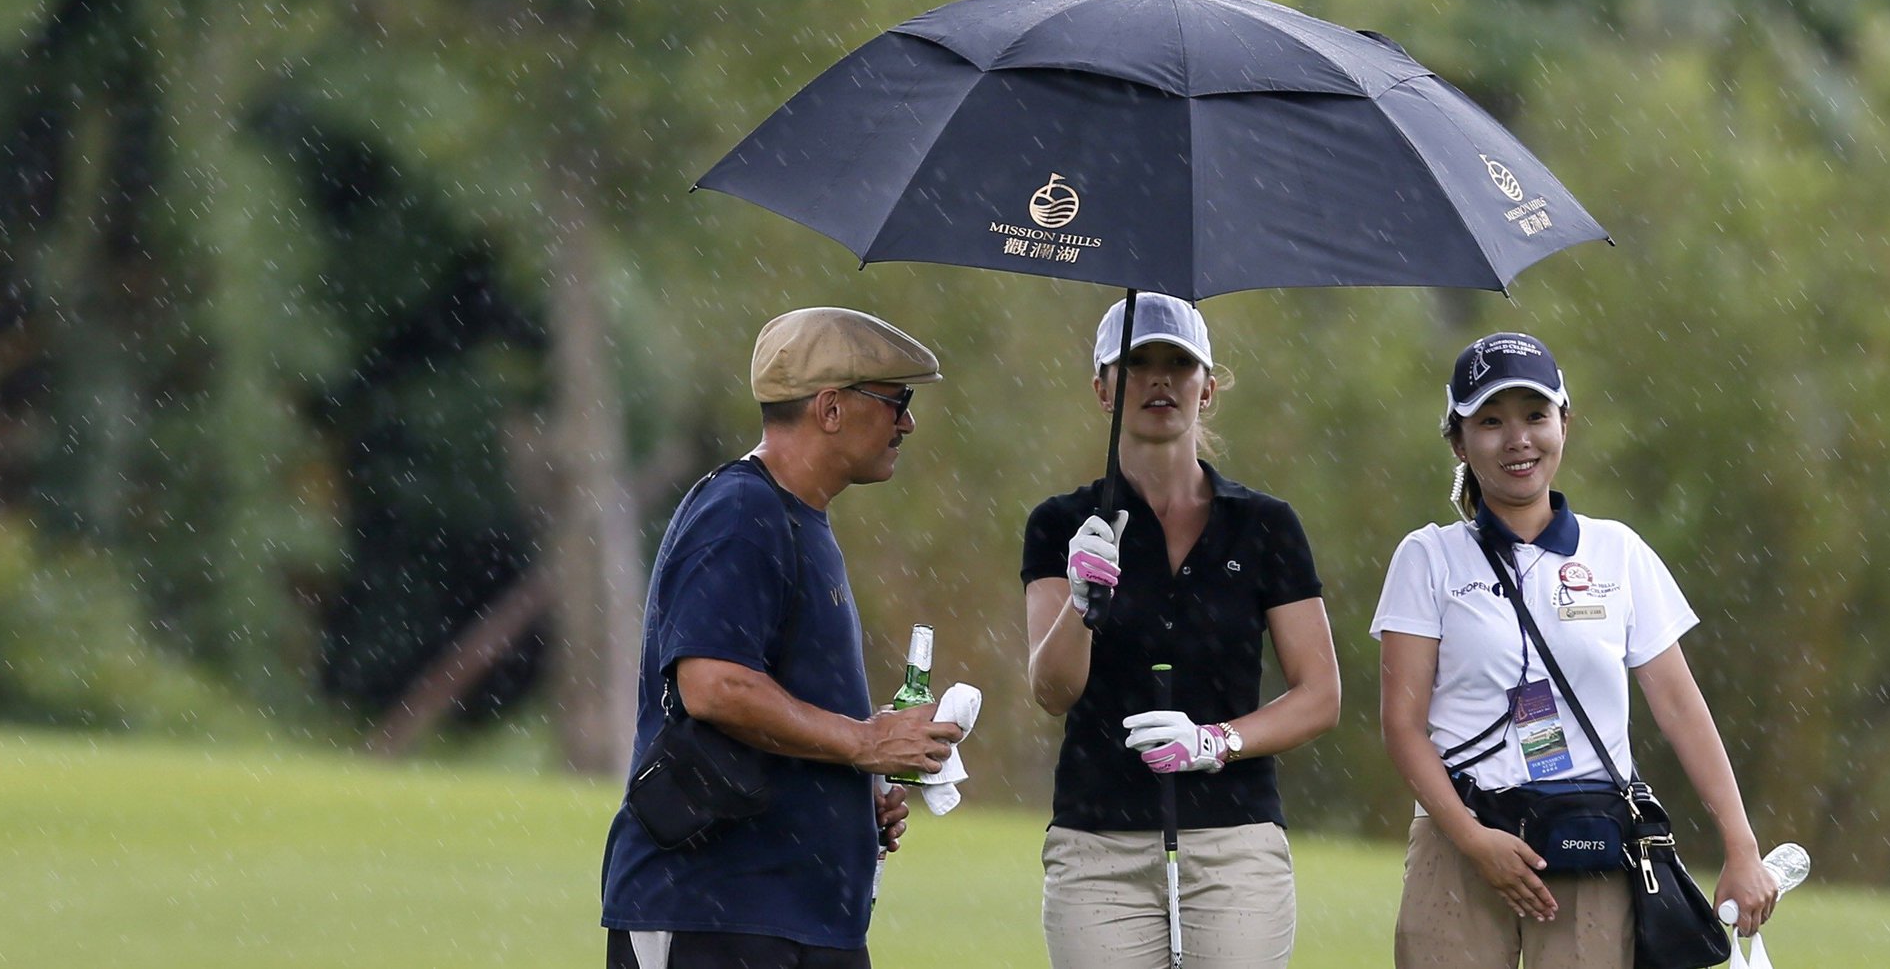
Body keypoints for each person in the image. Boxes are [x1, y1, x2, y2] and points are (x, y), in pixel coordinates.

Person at [1374, 331, 1780, 969]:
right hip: (1460, 836)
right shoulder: (1427, 557)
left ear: (1565, 421)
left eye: (1536, 416)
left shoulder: (1617, 552)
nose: (1518, 440)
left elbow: (1680, 708)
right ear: (1457, 439)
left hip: (1588, 841)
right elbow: (1402, 727)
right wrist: (1474, 840)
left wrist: (1740, 845)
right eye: (1490, 422)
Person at [601, 307, 967, 969]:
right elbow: (713, 686)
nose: (907, 423)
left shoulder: (795, 518)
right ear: (830, 409)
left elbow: (776, 702)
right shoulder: (743, 512)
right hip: (714, 910)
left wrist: (857, 790)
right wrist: (862, 741)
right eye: (896, 402)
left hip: (799, 917)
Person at [1022, 293, 1342, 969]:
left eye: (1179, 363)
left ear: (1209, 387)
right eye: (1137, 364)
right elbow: (1052, 691)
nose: (1160, 380)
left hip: (1235, 842)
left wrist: (1216, 740)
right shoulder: (1062, 524)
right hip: (1098, 843)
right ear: (1103, 389)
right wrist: (1081, 603)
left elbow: (1319, 696)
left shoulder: (1264, 526)